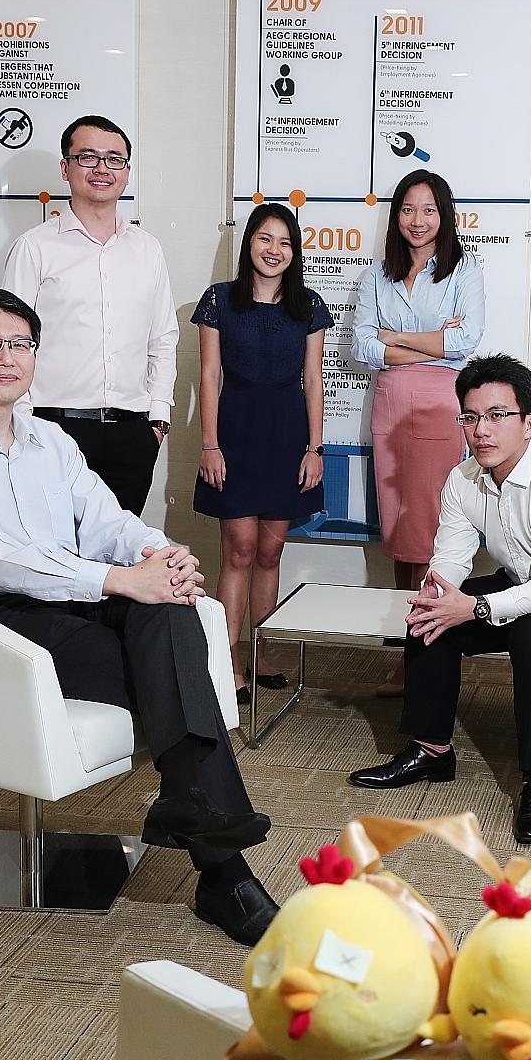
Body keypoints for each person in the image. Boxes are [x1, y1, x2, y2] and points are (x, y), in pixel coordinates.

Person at [0, 288, 278, 946]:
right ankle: (226, 873)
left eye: (21, 344)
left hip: (71, 596)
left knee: (170, 609)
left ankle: (189, 808)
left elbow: (108, 524)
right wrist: (120, 578)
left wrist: (163, 556)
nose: (7, 357)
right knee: (161, 666)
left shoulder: (50, 441)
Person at [346, 355, 531, 845]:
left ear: (529, 424)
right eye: (472, 416)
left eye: (498, 415)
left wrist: (477, 608)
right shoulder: (462, 479)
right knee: (430, 613)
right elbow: (454, 555)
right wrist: (439, 588)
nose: (482, 429)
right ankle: (431, 748)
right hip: (522, 581)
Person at [2, 115, 178, 515]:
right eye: (88, 157)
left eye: (114, 159)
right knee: (58, 559)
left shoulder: (147, 249)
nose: (102, 169)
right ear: (65, 168)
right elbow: (9, 343)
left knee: (120, 559)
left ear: (127, 173)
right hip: (54, 430)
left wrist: (158, 419)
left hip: (133, 434)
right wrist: (23, 425)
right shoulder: (34, 248)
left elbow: (163, 338)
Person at [353, 169, 486, 695]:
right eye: (408, 209)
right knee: (398, 530)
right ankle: (413, 646)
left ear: (444, 215)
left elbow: (465, 341)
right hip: (388, 406)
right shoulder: (376, 275)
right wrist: (430, 340)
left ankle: (428, 651)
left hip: (437, 403)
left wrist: (397, 340)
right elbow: (363, 346)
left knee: (432, 531)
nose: (418, 220)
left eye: (429, 209)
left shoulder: (463, 269)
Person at [193, 204, 329, 703]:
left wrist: (315, 449)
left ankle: (260, 651)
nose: (275, 251)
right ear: (248, 242)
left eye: (285, 243)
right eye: (265, 239)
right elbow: (208, 376)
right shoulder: (219, 302)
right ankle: (227, 656)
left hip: (288, 436)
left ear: (295, 253)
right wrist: (210, 443)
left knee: (271, 552)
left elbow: (314, 381)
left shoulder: (308, 306)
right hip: (234, 434)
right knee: (240, 551)